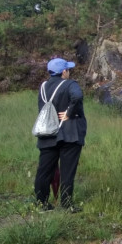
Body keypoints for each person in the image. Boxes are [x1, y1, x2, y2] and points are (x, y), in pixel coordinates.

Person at [34, 58, 87, 212]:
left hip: (47, 133)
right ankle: (66, 204)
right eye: (68, 69)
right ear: (64, 71)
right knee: (67, 171)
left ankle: (41, 204)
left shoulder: (43, 87)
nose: (69, 72)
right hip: (69, 135)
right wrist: (69, 113)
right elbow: (77, 97)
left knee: (44, 171)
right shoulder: (70, 84)